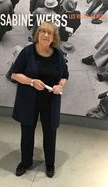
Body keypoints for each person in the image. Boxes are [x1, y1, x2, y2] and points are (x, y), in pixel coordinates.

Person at [11, 21, 69, 178]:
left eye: (49, 33)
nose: (45, 35)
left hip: (50, 101)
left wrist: (60, 86)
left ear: (53, 37)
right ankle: (25, 162)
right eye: (42, 31)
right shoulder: (27, 52)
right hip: (29, 100)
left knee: (50, 133)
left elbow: (64, 75)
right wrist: (31, 81)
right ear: (37, 34)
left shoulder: (58, 55)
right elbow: (14, 74)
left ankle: (50, 164)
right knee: (27, 132)